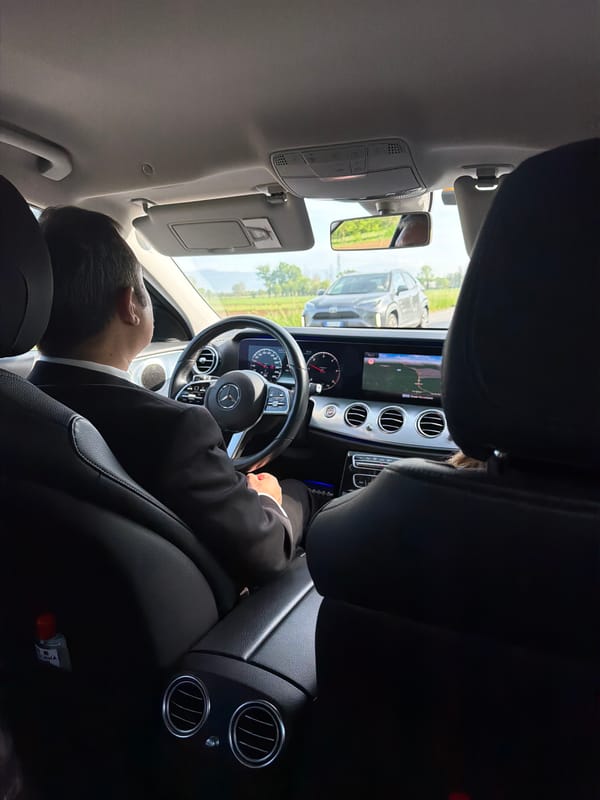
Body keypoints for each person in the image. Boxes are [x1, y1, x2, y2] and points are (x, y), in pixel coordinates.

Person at [29, 207, 313, 592]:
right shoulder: (178, 429)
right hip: (191, 623)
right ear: (131, 305)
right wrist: (273, 502)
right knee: (299, 493)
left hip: (61, 597)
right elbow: (267, 554)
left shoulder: (18, 405)